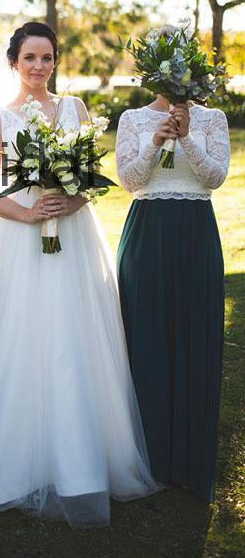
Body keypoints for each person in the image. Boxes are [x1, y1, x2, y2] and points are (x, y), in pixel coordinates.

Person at [0, 21, 160, 527]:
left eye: (47, 58)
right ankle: (17, 467)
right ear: (14, 62)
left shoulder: (75, 111)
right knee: (24, 343)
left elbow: (89, 184)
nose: (39, 67)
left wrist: (69, 198)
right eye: (30, 58)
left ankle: (83, 465)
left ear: (55, 62)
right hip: (19, 243)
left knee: (73, 341)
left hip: (73, 242)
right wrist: (27, 215)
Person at [116, 68, 230, 501]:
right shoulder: (132, 119)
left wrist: (185, 138)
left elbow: (215, 178)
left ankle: (191, 457)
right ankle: (152, 458)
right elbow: (130, 180)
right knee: (146, 337)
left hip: (196, 232)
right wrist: (157, 140)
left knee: (195, 335)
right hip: (147, 234)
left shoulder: (214, 119)